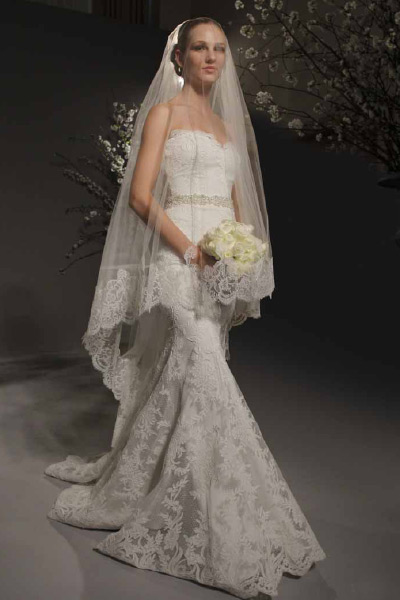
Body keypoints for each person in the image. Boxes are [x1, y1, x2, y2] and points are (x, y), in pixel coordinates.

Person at [44, 17, 326, 598]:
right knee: (204, 369)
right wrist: (190, 250)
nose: (211, 57)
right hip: (177, 258)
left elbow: (238, 207)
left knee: (186, 371)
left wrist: (239, 255)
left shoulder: (225, 126)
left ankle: (151, 478)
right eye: (200, 47)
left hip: (217, 263)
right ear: (179, 57)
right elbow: (141, 196)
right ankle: (228, 518)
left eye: (219, 48)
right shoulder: (163, 114)